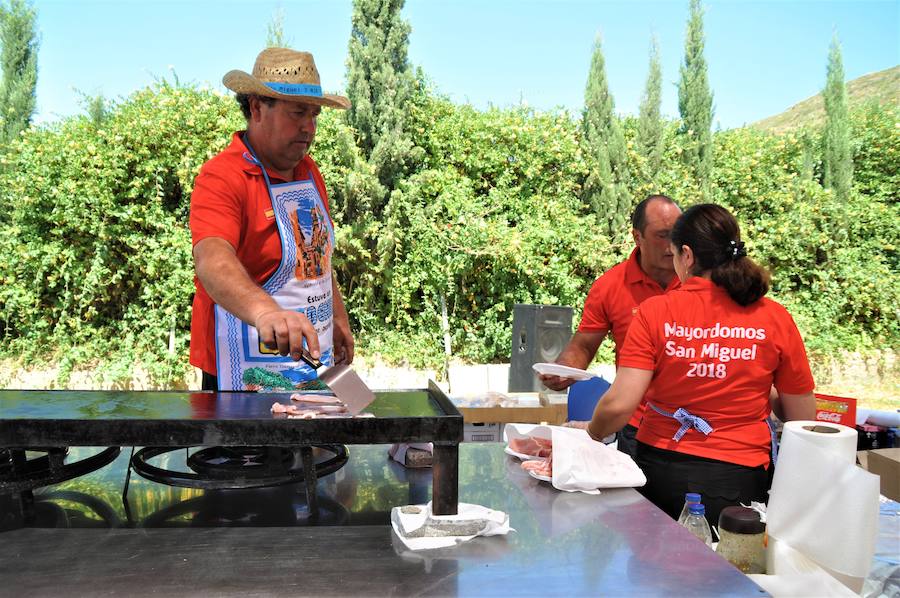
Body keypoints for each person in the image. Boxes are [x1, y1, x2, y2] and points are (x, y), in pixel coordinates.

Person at [584, 203, 815, 525]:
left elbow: (621, 403)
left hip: (659, 469)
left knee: (652, 567)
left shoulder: (656, 312)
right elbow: (803, 417)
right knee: (729, 570)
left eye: (675, 254)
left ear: (688, 256)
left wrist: (592, 434)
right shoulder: (774, 317)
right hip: (738, 477)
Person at [189, 47, 355, 391]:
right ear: (256, 108)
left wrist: (337, 315)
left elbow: (317, 259)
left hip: (313, 357)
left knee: (350, 424)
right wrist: (265, 312)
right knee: (252, 446)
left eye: (314, 116)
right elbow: (213, 259)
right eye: (298, 113)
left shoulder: (309, 172)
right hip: (239, 369)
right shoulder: (222, 175)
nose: (309, 128)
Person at [540, 195, 682, 458]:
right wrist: (563, 370)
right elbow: (583, 345)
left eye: (676, 235)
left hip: (693, 427)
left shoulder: (702, 283)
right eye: (662, 235)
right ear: (637, 237)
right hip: (637, 425)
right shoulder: (610, 286)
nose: (671, 246)